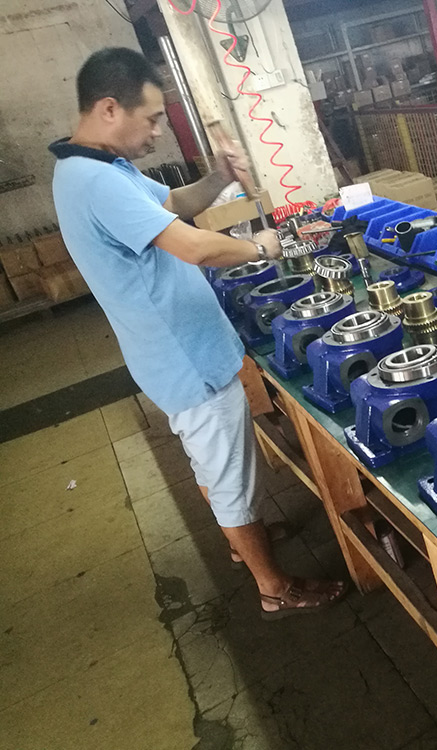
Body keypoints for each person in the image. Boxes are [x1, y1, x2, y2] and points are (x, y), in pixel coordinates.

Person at [49, 47, 347, 619]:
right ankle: (273, 588)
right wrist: (264, 246)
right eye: (151, 118)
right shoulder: (94, 181)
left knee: (217, 463)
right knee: (227, 472)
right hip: (185, 359)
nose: (158, 132)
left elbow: (173, 205)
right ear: (109, 108)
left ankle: (243, 540)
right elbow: (194, 247)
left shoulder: (98, 166)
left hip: (176, 351)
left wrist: (219, 177)